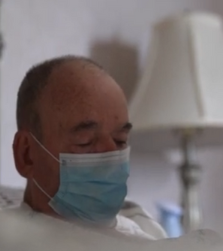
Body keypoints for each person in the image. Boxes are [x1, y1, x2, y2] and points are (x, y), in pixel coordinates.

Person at [11, 55, 166, 240]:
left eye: (120, 140)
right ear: (26, 154)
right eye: (85, 141)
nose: (112, 156)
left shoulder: (147, 229)